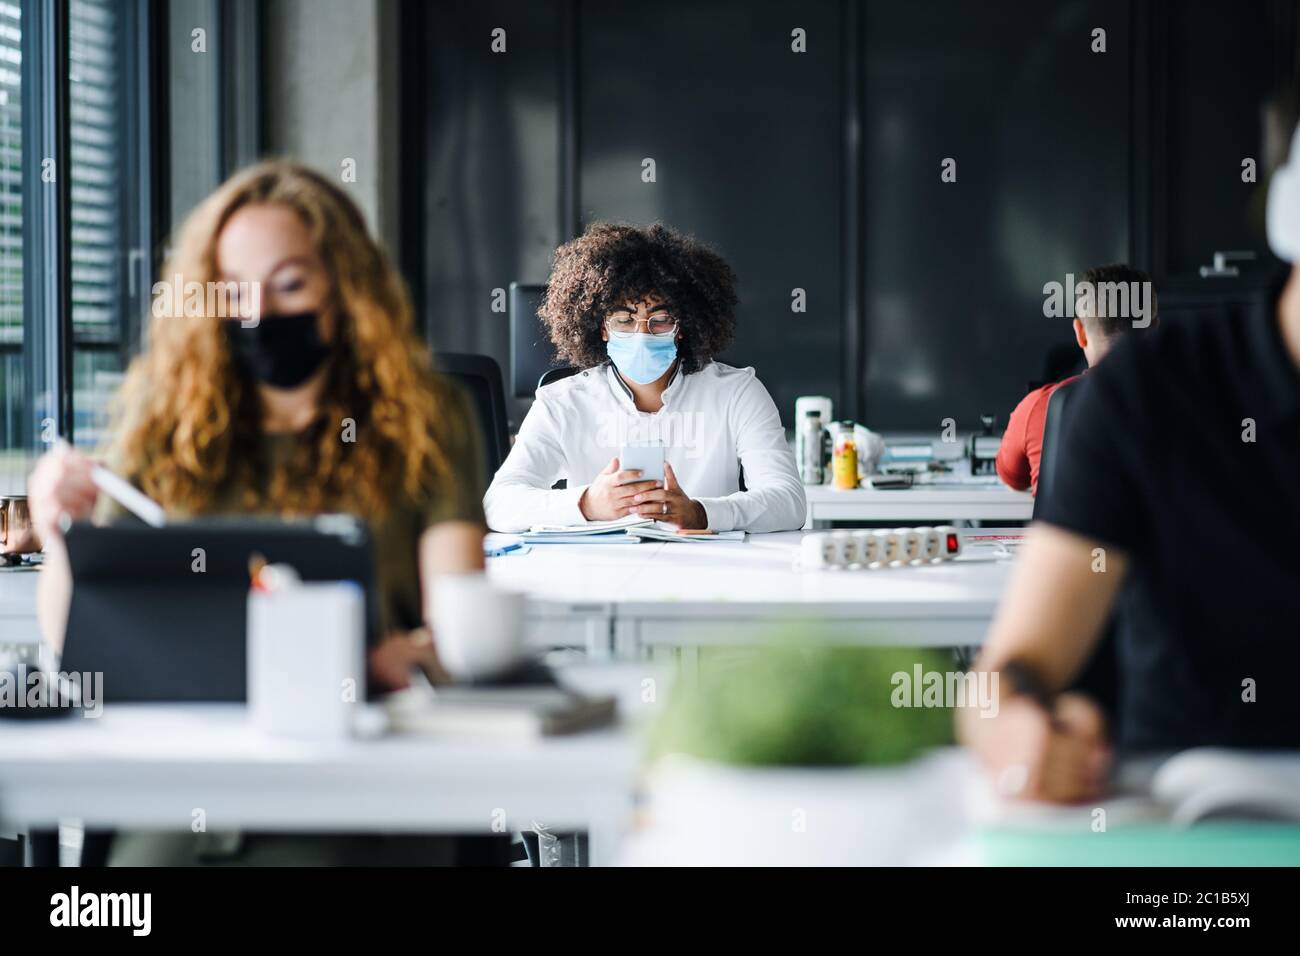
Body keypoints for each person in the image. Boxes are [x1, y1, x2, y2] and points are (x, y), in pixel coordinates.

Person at [27, 161, 489, 863]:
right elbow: (79, 643)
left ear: (345, 285)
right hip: (189, 779)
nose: (259, 313)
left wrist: (411, 655)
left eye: (291, 283)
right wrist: (63, 536)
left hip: (360, 778)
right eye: (235, 289)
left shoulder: (425, 417)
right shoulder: (165, 426)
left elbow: (459, 624)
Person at [959, 126, 1300, 802]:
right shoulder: (1150, 393)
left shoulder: (1054, 402)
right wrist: (1020, 732)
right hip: (1184, 820)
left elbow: (1009, 474)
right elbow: (1005, 679)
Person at [484, 223, 806, 533]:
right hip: (596, 578)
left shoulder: (737, 393)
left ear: (684, 327)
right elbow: (498, 504)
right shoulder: (561, 402)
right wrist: (586, 505)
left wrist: (701, 513)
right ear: (602, 328)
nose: (642, 333)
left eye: (660, 320)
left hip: (705, 574)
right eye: (624, 319)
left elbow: (789, 503)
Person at [995, 264, 1156, 494]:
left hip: (1067, 531)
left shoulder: (1040, 406)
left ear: (1080, 333)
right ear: (1155, 330)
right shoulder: (1192, 405)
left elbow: (1011, 476)